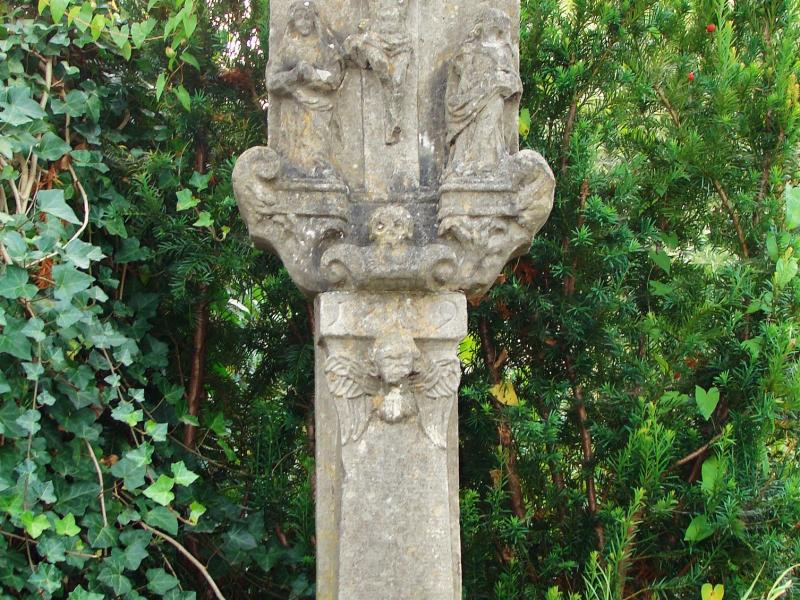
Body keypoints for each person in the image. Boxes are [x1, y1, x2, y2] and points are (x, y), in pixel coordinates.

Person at [266, 1, 344, 179]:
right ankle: (294, 169)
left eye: (308, 18)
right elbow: (272, 81)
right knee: (294, 149)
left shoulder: (325, 48)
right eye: (300, 18)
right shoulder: (287, 48)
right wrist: (294, 74)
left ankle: (319, 168)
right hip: (293, 107)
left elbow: (335, 78)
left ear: (314, 20)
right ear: (293, 21)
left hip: (319, 108)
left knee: (317, 146)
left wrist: (313, 75)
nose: (304, 23)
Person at [444, 7, 522, 181]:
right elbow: (460, 81)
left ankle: (487, 165)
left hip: (493, 100)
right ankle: (464, 165)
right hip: (468, 101)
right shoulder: (468, 49)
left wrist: (497, 82)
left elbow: (513, 82)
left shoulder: (504, 51)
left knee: (489, 130)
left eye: (498, 30)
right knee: (467, 136)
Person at [345, 0, 412, 145]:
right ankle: (393, 122)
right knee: (381, 67)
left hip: (401, 44)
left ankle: (394, 122)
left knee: (398, 81)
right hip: (376, 42)